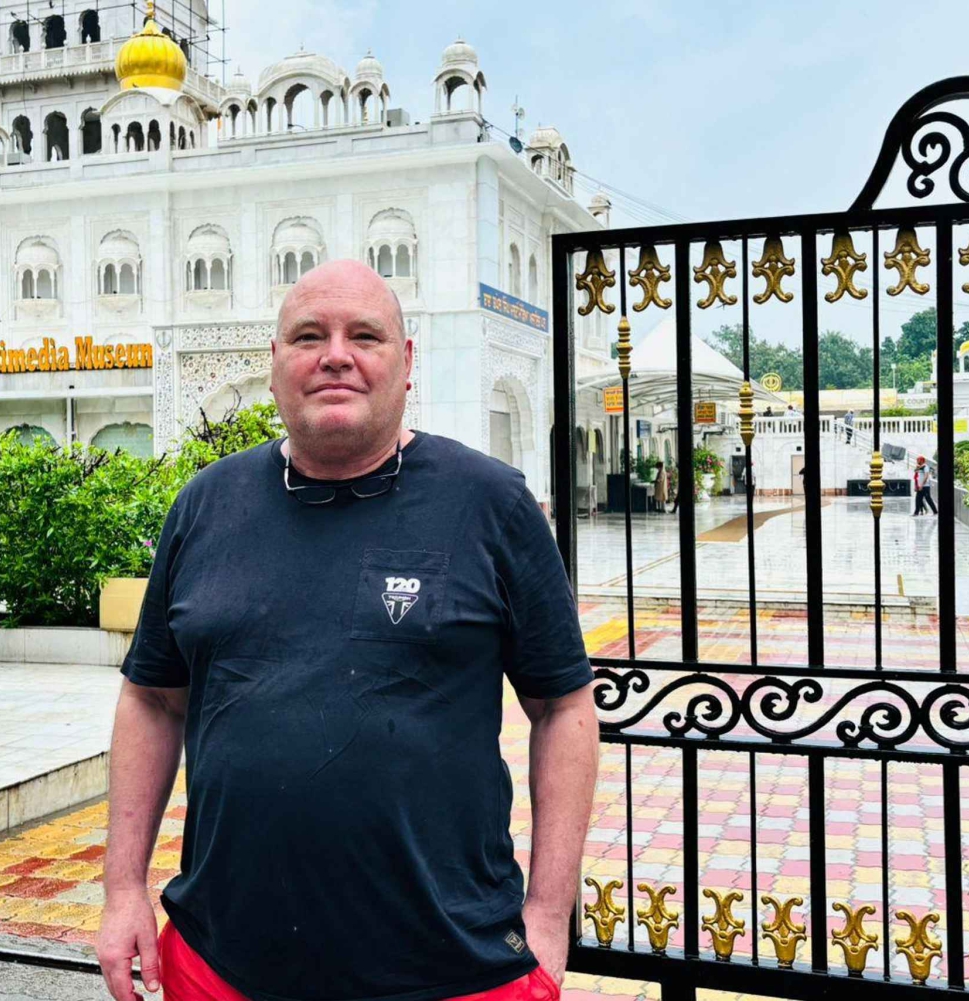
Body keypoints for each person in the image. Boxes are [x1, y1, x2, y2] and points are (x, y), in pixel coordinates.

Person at [98, 259, 597, 1001]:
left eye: (365, 335)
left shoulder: (490, 503)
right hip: (221, 962)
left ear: (406, 363)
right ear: (274, 362)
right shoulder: (206, 504)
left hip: (455, 968)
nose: (336, 355)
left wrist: (550, 915)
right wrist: (122, 889)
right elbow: (151, 699)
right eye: (309, 336)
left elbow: (564, 707)